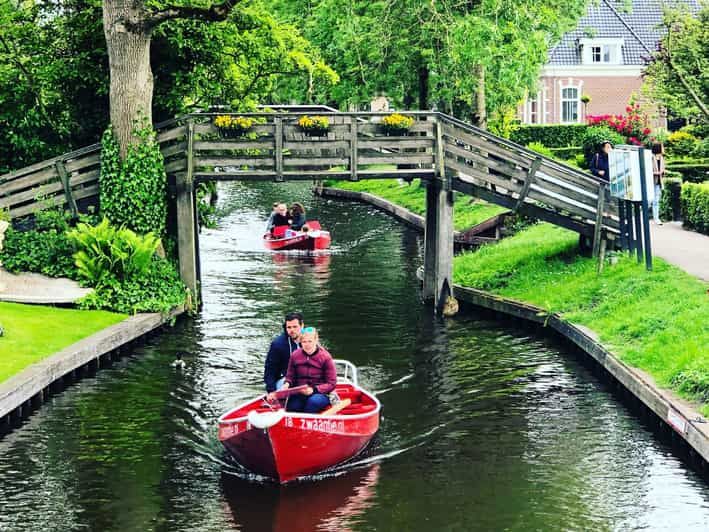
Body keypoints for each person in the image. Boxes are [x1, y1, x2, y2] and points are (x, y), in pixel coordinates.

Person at [274, 327, 337, 413]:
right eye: (304, 342)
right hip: (300, 391)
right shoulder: (295, 355)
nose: (307, 344)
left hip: (320, 393)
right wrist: (287, 384)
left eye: (310, 341)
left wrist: (314, 390)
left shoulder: (326, 357)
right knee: (292, 405)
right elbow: (290, 376)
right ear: (301, 342)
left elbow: (332, 383)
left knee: (313, 402)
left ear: (316, 340)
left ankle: (308, 418)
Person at [264, 312, 304, 393]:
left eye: (295, 327)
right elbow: (270, 371)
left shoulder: (309, 340)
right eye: (289, 327)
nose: (292, 330)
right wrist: (271, 391)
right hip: (284, 380)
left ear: (302, 325)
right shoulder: (278, 345)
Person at [651, 142, 665, 225]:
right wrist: (656, 173)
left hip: (659, 182)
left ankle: (656, 218)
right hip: (651, 182)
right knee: (650, 201)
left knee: (656, 201)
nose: (663, 148)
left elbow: (663, 169)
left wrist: (663, 172)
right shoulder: (651, 158)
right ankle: (644, 215)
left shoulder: (662, 158)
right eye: (662, 147)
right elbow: (647, 170)